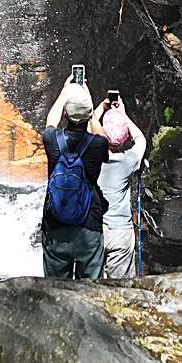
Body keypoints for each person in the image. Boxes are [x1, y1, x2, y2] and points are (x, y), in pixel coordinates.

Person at [40, 73, 109, 279]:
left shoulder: (52, 140)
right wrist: (90, 109)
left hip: (55, 224)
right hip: (88, 225)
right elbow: (103, 137)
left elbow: (50, 122)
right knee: (90, 291)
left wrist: (65, 93)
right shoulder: (97, 145)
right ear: (87, 115)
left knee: (55, 290)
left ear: (66, 115)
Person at [97, 95, 147, 278]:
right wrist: (123, 115)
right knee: (120, 288)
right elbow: (141, 139)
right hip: (121, 232)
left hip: (94, 230)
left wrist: (102, 108)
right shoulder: (128, 160)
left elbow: (84, 129)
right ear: (125, 136)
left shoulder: (92, 157)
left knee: (91, 286)